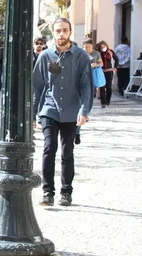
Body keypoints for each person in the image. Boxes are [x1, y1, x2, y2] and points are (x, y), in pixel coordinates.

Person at [33, 18, 93, 207]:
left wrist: (84, 110)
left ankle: (66, 192)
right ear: (53, 32)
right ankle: (47, 192)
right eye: (58, 31)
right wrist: (34, 113)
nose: (61, 34)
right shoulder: (45, 56)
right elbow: (37, 87)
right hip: (49, 109)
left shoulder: (81, 56)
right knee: (49, 149)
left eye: (65, 30)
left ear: (70, 32)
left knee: (67, 151)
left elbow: (86, 86)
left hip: (71, 111)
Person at [96, 40, 118, 108]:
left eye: (104, 47)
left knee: (109, 87)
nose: (103, 48)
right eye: (101, 47)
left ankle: (108, 100)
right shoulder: (98, 53)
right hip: (101, 71)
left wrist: (115, 67)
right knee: (102, 87)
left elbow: (116, 59)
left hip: (109, 71)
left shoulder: (110, 52)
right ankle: (103, 103)